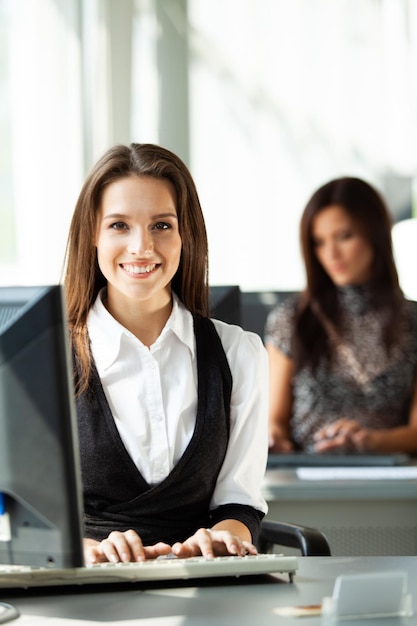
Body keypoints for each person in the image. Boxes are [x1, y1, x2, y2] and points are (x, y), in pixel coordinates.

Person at [63, 143, 268, 565]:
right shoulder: (45, 360)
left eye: (161, 225)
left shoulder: (239, 353)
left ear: (184, 235)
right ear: (93, 237)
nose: (141, 247)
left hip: (203, 587)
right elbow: (23, 520)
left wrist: (220, 539)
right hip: (85, 591)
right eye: (119, 225)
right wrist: (87, 551)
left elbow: (239, 505)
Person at [265, 176, 417, 455]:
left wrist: (368, 442)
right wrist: (274, 441)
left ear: (376, 234)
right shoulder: (290, 320)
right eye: (319, 242)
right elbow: (274, 422)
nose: (331, 253)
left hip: (391, 481)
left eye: (345, 236)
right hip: (305, 478)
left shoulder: (413, 321)